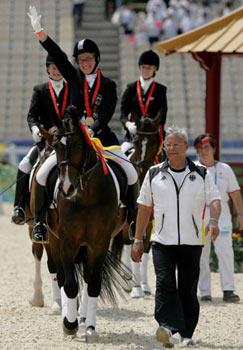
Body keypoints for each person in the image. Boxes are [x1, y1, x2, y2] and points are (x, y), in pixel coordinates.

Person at [27, 5, 138, 243]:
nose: (84, 62)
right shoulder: (73, 77)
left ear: (96, 58)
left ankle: (133, 220)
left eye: (87, 58)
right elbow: (58, 56)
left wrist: (94, 127)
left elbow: (107, 113)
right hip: (73, 140)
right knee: (42, 173)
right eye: (80, 59)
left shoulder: (108, 85)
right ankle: (38, 222)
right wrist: (42, 36)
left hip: (102, 138)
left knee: (129, 172)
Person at [131, 125, 221, 347]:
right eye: (168, 145)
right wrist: (137, 239)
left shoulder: (201, 173)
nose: (170, 149)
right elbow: (144, 207)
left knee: (187, 289)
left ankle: (186, 333)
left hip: (191, 242)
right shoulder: (154, 173)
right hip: (162, 240)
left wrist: (213, 220)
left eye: (175, 145)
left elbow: (215, 200)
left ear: (185, 147)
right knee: (164, 283)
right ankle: (167, 327)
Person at [11, 54, 70, 227]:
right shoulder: (40, 90)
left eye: (59, 68)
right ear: (48, 70)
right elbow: (31, 116)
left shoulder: (72, 89)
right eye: (53, 68)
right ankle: (19, 207)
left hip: (68, 141)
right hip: (46, 142)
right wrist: (36, 130)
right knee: (24, 165)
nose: (56, 71)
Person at [194, 133, 243, 303]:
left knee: (225, 252)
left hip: (222, 215)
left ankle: (228, 290)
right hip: (199, 216)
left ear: (214, 148)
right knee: (201, 255)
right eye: (199, 148)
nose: (203, 151)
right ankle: (205, 291)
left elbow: (235, 193)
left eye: (206, 147)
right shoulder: (192, 168)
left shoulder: (225, 169)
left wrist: (241, 214)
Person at [120, 50, 167, 154]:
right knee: (122, 154)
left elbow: (162, 115)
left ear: (155, 69)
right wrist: (128, 124)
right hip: (134, 135)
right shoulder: (131, 88)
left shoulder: (161, 90)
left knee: (168, 156)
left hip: (154, 135)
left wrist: (151, 126)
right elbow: (123, 113)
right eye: (143, 67)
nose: (145, 70)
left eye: (149, 68)